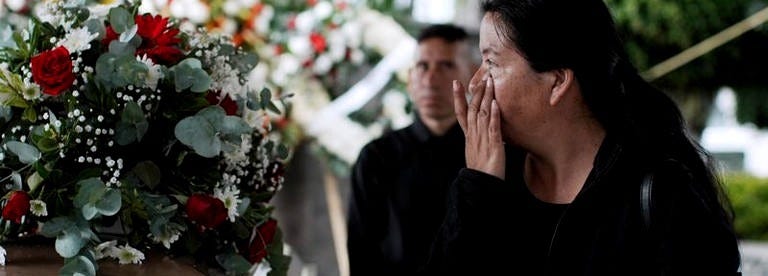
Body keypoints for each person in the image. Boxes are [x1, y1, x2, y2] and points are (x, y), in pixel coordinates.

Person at [425, 0, 741, 275]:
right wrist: (478, 191)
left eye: (491, 63)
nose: (475, 82)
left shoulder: (661, 192)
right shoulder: (481, 177)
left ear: (557, 82)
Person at [346, 24, 476, 275]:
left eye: (446, 65)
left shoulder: (490, 154)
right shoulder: (376, 158)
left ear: (472, 75)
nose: (430, 78)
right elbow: (362, 253)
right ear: (410, 78)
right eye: (422, 66)